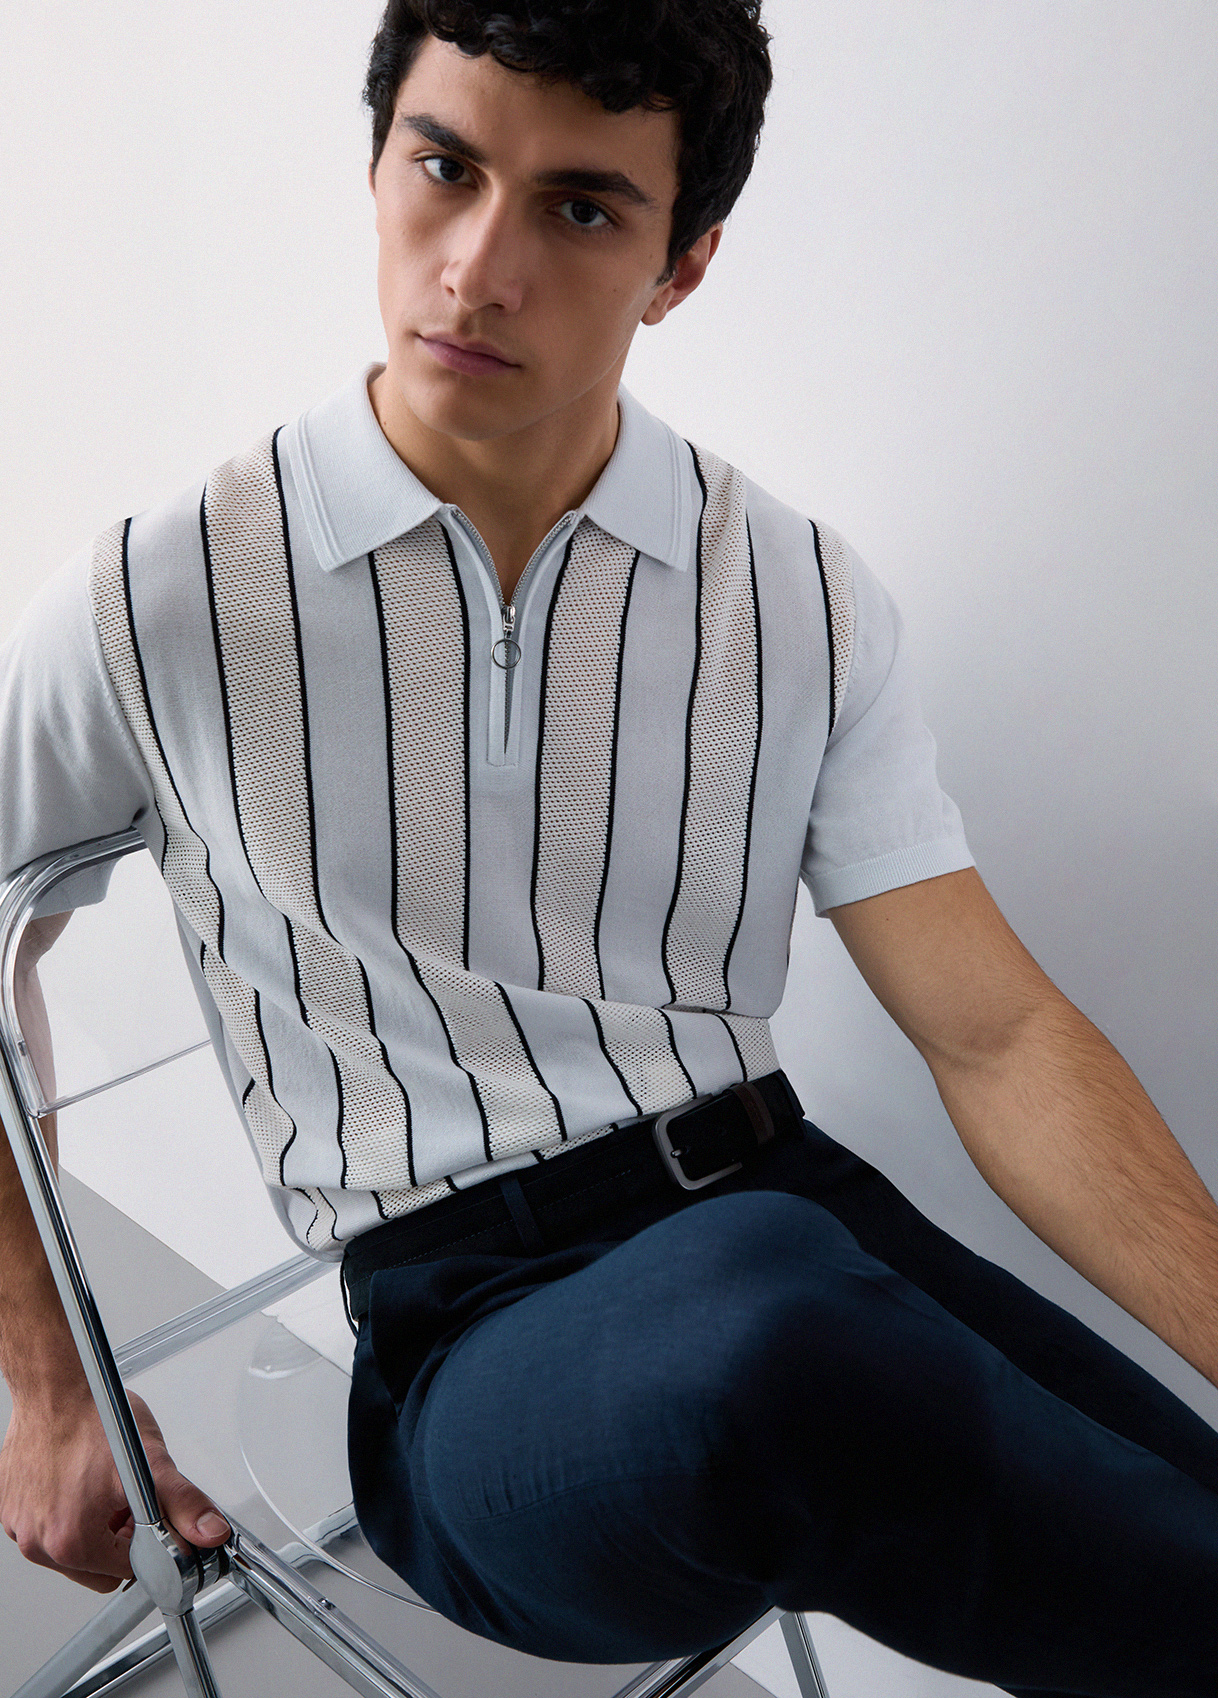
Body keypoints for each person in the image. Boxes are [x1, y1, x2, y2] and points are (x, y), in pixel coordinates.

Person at [2, 3, 1218, 1691]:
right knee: (772, 1313)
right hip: (479, 1351)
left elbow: (996, 1033)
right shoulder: (166, 591)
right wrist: (46, 1383)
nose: (478, 270)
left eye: (579, 208)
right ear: (378, 167)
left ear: (680, 264)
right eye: (444, 169)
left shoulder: (794, 593)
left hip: (793, 1231)